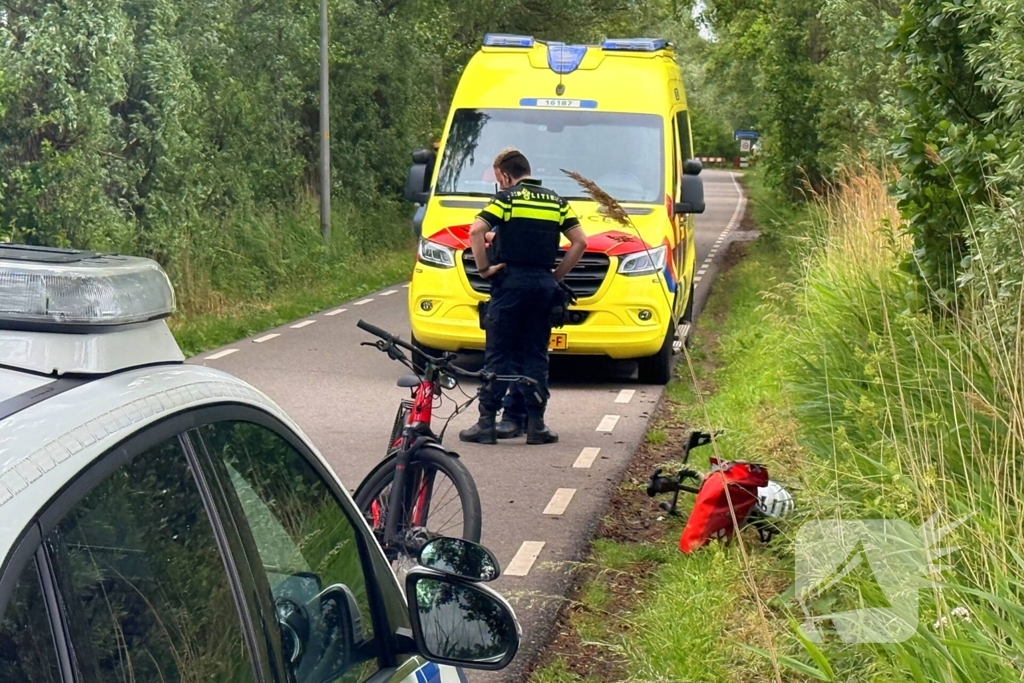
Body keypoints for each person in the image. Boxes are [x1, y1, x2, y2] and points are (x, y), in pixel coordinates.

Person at [458, 148, 588, 445]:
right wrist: (554, 277)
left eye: (499, 179)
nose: (500, 184)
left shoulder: (506, 199)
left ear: (505, 175)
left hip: (509, 284)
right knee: (535, 356)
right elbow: (580, 241)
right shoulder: (557, 201)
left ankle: (486, 424)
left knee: (499, 353)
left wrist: (484, 269)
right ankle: (536, 426)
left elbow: (476, 231)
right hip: (543, 287)